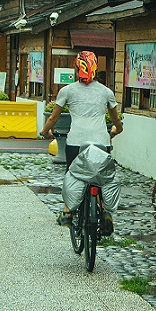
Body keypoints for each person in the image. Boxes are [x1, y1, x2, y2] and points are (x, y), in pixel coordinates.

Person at [40, 50, 123, 231]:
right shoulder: (106, 92)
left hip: (76, 143)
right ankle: (106, 213)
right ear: (96, 68)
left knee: (73, 174)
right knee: (101, 177)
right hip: (101, 142)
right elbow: (116, 119)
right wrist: (118, 129)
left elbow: (53, 118)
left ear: (77, 68)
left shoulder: (67, 91)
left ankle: (68, 211)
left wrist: (45, 131)